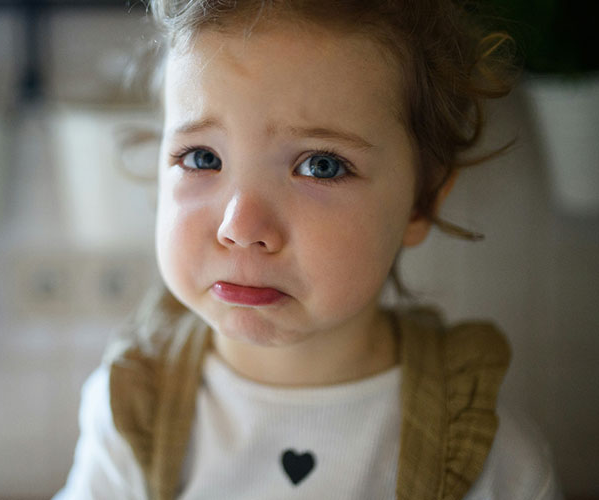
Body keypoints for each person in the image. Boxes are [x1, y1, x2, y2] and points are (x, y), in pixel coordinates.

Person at [55, 1, 563, 498]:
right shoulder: (130, 412)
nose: (241, 227)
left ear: (420, 203)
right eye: (203, 157)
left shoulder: (486, 456)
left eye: (321, 165)